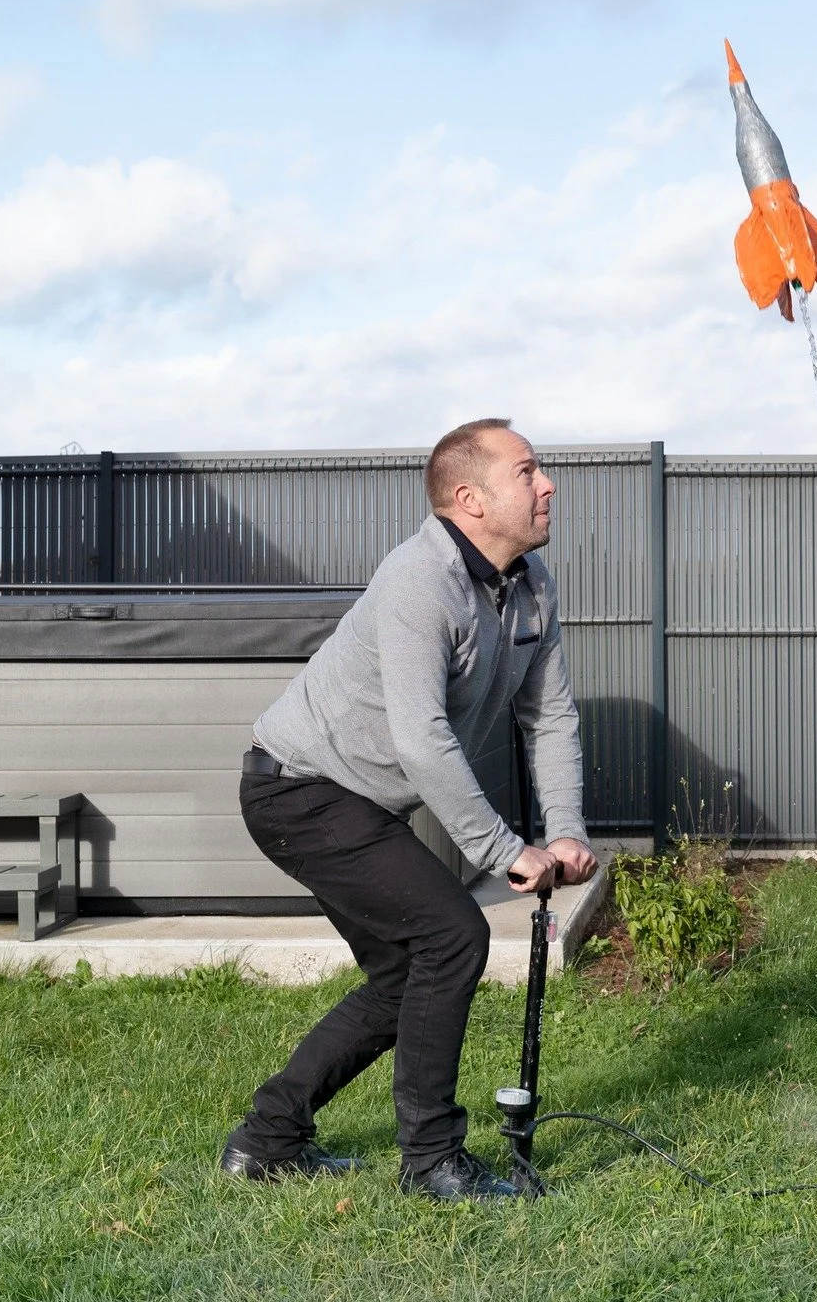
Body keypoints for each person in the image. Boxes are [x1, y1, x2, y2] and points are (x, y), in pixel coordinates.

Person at [221, 418, 598, 1202]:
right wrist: (503, 850)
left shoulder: (529, 586)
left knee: (404, 975)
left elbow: (550, 715)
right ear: (471, 499)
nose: (547, 485)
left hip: (350, 798)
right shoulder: (418, 580)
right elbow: (422, 737)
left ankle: (267, 1140)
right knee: (450, 934)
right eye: (527, 472)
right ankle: (431, 1161)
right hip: (296, 786)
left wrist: (565, 829)